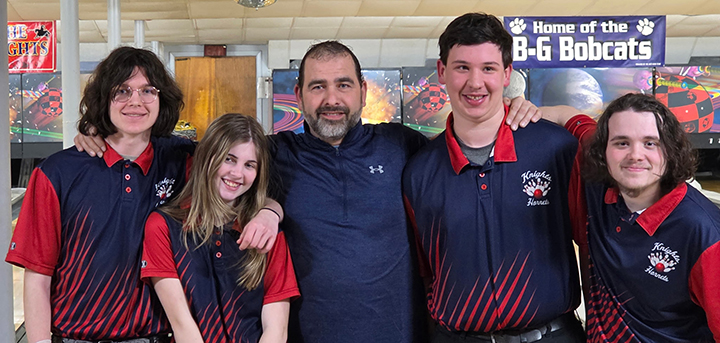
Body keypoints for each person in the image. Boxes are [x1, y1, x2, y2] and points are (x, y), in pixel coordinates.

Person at [75, 40, 542, 343]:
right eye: (317, 87)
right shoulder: (273, 152)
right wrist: (100, 133)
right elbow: (207, 159)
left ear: (362, 90)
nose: (331, 98)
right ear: (298, 96)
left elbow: (474, 139)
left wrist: (525, 107)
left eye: (342, 85)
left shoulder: (404, 146)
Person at [7, 46, 279, 343]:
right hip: (75, 337)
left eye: (148, 90)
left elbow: (239, 183)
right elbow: (38, 276)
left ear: (162, 99)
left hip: (156, 337)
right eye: (122, 91)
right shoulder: (57, 172)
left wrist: (269, 212)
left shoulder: (184, 160)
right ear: (104, 98)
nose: (135, 101)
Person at [402, 13, 586, 343]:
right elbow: (426, 273)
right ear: (442, 72)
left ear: (506, 74)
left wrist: (565, 115)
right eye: (462, 67)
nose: (475, 82)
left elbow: (591, 246)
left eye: (488, 68)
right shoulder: (419, 172)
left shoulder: (556, 148)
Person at [545, 93, 720, 342]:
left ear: (671, 150)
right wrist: (514, 108)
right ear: (603, 150)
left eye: (650, 143)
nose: (635, 155)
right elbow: (565, 114)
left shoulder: (705, 233)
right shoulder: (598, 187)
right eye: (621, 143)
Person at [141, 113, 299, 343]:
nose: (237, 174)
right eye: (229, 159)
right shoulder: (163, 226)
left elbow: (276, 330)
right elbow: (182, 326)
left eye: (249, 165)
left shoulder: (267, 233)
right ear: (206, 158)